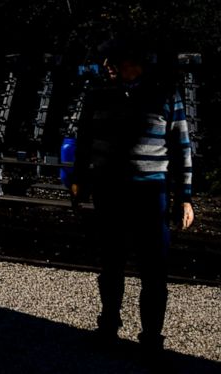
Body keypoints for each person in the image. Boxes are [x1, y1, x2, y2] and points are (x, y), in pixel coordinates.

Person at [71, 37, 195, 362]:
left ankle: (151, 337)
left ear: (136, 63)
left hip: (150, 194)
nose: (111, 67)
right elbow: (83, 140)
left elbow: (182, 148)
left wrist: (184, 197)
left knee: (154, 271)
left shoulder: (166, 95)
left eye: (117, 61)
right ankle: (108, 326)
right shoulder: (97, 96)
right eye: (110, 62)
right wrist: (78, 181)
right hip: (109, 192)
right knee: (111, 265)